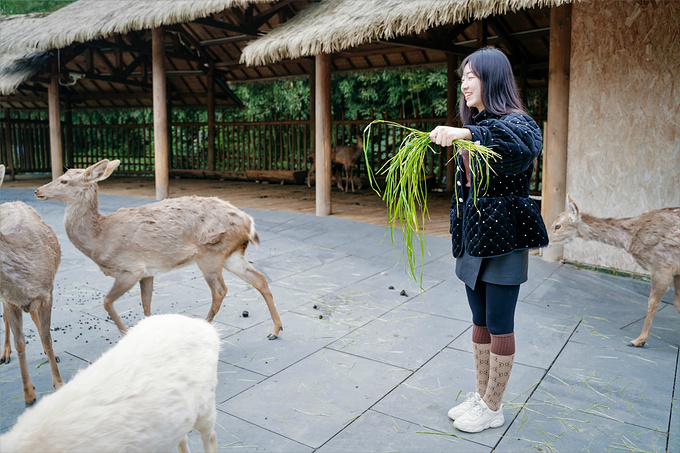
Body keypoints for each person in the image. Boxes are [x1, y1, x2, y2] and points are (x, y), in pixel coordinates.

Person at [429, 46, 549, 433]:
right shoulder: (476, 123)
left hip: (505, 238)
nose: (463, 82)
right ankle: (482, 398)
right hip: (472, 237)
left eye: (472, 75)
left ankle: (493, 407)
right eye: (462, 76)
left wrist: (466, 131)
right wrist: (467, 129)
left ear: (493, 79)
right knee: (479, 321)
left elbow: (517, 146)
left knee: (500, 322)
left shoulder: (519, 123)